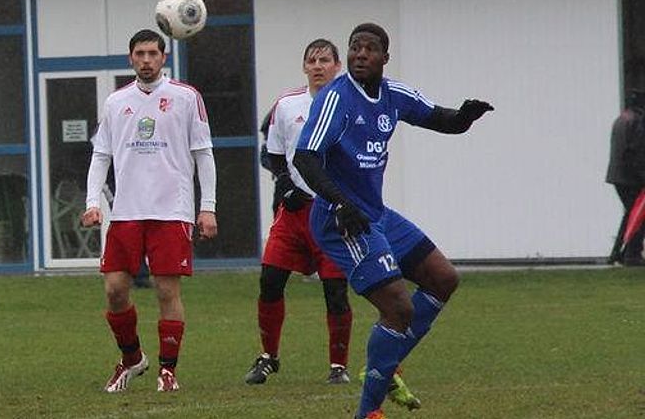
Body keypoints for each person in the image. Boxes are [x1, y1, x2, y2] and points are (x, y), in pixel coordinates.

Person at [293, 23, 492, 419]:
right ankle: (368, 411)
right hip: (340, 220)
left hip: (375, 214)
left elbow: (438, 117)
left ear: (385, 57)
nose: (360, 54)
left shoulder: (393, 94)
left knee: (443, 278)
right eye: (354, 48)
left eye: (369, 48)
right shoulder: (336, 98)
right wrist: (339, 201)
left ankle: (388, 360)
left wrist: (464, 118)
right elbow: (306, 156)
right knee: (398, 308)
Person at [243, 39, 419, 407]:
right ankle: (268, 356)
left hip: (336, 212)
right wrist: (285, 183)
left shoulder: (346, 99)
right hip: (294, 213)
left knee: (335, 291)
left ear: (337, 65)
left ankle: (337, 364)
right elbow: (274, 154)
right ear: (304, 66)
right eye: (312, 60)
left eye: (326, 59)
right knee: (270, 281)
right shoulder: (286, 105)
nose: (319, 65)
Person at [81, 29, 218, 393]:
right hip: (126, 211)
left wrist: (208, 208)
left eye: (152, 53)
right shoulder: (116, 102)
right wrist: (93, 203)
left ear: (163, 57)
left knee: (165, 290)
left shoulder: (186, 97)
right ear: (130, 58)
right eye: (139, 54)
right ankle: (132, 359)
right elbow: (100, 156)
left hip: (172, 210)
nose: (146, 60)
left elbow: (203, 153)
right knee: (114, 290)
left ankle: (167, 370)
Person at [606, 90, 645, 265]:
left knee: (630, 214)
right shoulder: (638, 120)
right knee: (640, 214)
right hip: (631, 177)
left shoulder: (621, 119)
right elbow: (638, 151)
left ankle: (618, 253)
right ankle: (632, 254)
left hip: (617, 175)